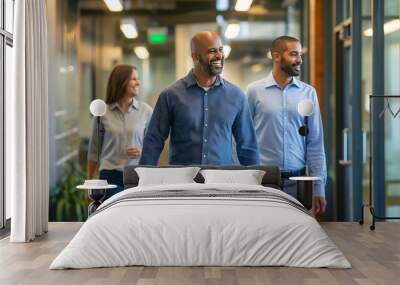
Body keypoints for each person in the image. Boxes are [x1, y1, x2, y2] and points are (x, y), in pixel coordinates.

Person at [139, 31, 259, 166]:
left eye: (220, 50)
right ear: (195, 57)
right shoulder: (171, 96)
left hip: (223, 182)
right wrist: (144, 177)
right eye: (212, 51)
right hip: (182, 181)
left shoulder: (237, 96)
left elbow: (247, 146)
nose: (219, 55)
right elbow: (154, 141)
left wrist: (254, 181)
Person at [246, 36, 327, 216]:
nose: (299, 59)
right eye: (293, 54)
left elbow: (315, 143)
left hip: (299, 185)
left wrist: (319, 186)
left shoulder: (308, 93)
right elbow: (242, 141)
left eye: (300, 54)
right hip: (263, 183)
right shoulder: (254, 91)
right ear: (276, 56)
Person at [87, 64, 153, 199]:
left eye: (138, 78)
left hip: (137, 175)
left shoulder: (145, 111)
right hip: (110, 176)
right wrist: (89, 184)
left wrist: (142, 151)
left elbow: (153, 145)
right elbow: (94, 151)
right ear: (121, 82)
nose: (138, 82)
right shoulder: (102, 113)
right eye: (133, 79)